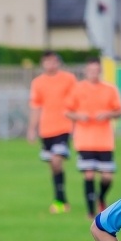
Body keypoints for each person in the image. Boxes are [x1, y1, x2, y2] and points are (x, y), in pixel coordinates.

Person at [65, 57, 121, 219]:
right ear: (86, 71)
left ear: (100, 71)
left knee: (107, 176)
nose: (93, 74)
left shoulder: (109, 89)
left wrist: (108, 114)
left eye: (96, 71)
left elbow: (120, 111)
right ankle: (90, 211)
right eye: (90, 70)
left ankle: (101, 197)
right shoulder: (77, 89)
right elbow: (67, 111)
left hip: (105, 140)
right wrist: (78, 116)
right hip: (84, 140)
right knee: (89, 174)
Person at [27, 51, 78, 214]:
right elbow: (36, 107)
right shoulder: (38, 82)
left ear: (58, 62)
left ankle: (60, 200)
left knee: (57, 161)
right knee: (53, 167)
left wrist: (77, 126)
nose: (51, 65)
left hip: (63, 127)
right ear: (43, 63)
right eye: (47, 62)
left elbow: (77, 101)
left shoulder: (68, 79)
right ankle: (60, 200)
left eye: (53, 61)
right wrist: (31, 129)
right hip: (46, 130)